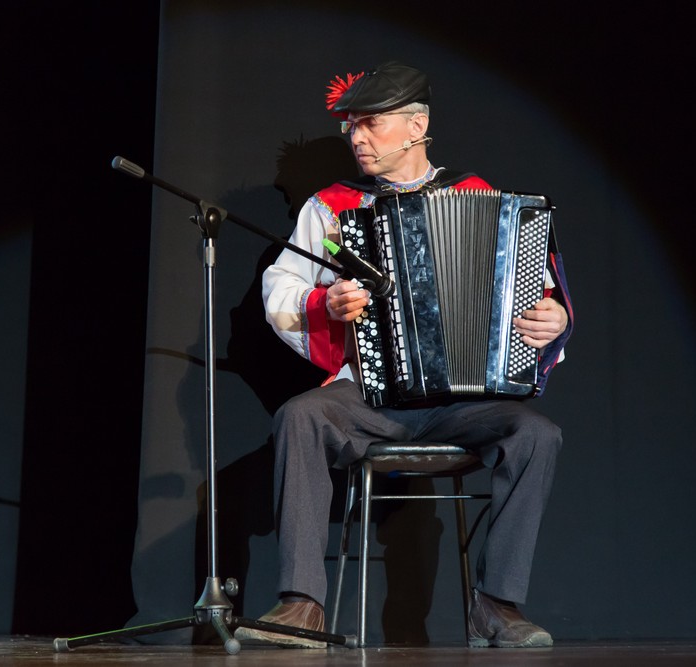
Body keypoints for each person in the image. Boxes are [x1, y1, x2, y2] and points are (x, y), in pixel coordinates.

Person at [234, 61, 573, 649]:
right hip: (368, 393)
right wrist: (325, 302)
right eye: (351, 126)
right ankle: (302, 604)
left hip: (464, 401)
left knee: (537, 435)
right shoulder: (330, 206)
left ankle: (496, 605)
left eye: (371, 123)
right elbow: (281, 288)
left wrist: (555, 320)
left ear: (417, 127)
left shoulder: (479, 196)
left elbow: (541, 292)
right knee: (299, 416)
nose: (356, 137)